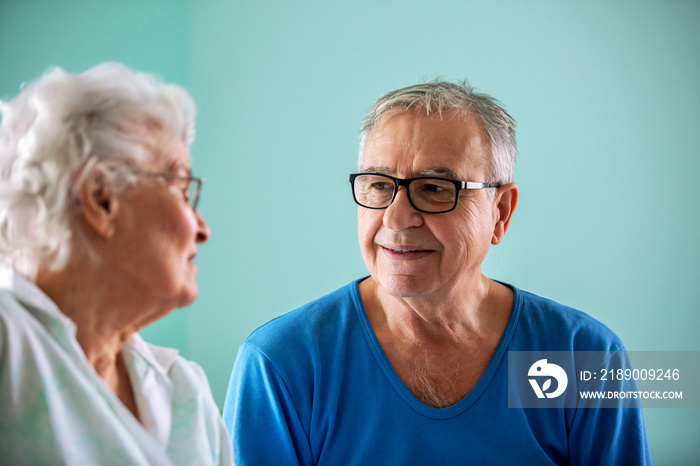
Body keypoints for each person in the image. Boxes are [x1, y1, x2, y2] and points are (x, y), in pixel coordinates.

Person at [223, 81, 651, 465]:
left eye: (434, 189)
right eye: (378, 184)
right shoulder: (283, 364)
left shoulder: (581, 358)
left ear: (500, 212)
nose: (396, 217)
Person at [0, 63, 232, 465]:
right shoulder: (10, 343)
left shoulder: (184, 391)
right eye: (181, 189)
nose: (202, 228)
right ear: (101, 198)